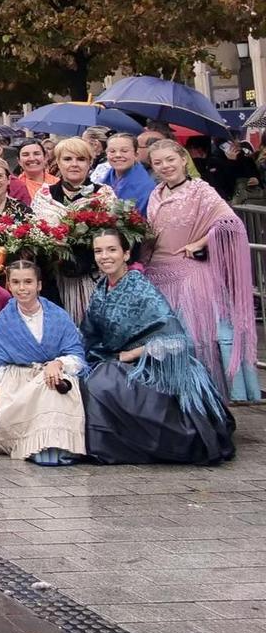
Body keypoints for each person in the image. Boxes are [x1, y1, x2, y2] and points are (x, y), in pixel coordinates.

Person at [81, 228, 235, 465]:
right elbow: (89, 335)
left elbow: (175, 339)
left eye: (112, 250)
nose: (105, 256)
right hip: (114, 358)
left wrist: (133, 353)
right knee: (88, 378)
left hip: (154, 362)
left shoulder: (140, 287)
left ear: (126, 253)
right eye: (98, 251)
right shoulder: (101, 289)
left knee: (102, 384)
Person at [143, 138, 260, 404]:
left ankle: (207, 404)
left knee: (198, 340)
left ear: (183, 159)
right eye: (158, 162)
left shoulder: (200, 190)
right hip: (158, 278)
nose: (165, 166)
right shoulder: (156, 192)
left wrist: (199, 242)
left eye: (170, 160)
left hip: (191, 279)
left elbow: (229, 222)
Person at [0, 259, 85, 465]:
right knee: (43, 390)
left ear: (39, 285)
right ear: (9, 286)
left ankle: (59, 446)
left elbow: (76, 354)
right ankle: (37, 445)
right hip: (19, 377)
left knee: (54, 388)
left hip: (51, 373)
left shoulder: (58, 315)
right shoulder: (4, 320)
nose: (22, 288)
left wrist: (58, 364)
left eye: (28, 282)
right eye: (16, 282)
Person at [30, 138, 115, 320]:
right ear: (58, 162)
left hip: (93, 276)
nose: (74, 164)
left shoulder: (104, 194)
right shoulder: (44, 196)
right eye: (67, 159)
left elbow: (113, 238)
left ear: (90, 162)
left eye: (81, 159)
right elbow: (36, 236)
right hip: (55, 280)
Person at [94, 133, 155, 212]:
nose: (118, 155)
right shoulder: (103, 178)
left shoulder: (146, 187)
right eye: (112, 151)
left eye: (124, 151)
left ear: (136, 154)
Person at [10, 141, 55, 206]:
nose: (32, 158)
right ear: (19, 161)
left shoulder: (58, 183)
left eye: (36, 154)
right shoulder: (14, 187)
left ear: (45, 158)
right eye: (25, 155)